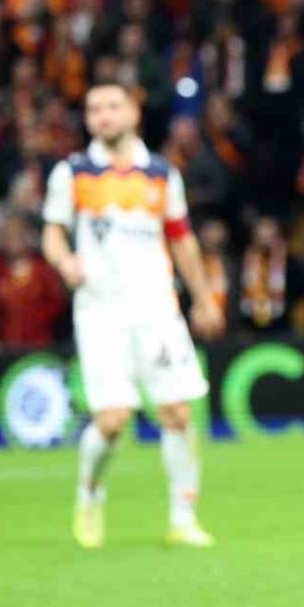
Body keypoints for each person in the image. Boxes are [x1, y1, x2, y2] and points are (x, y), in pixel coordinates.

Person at [41, 83, 225, 550]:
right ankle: (89, 492)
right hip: (100, 310)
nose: (102, 115)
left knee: (177, 413)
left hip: (157, 308)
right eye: (94, 109)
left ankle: (183, 519)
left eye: (112, 106)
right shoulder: (73, 172)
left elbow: (181, 238)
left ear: (132, 113)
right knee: (112, 420)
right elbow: (53, 234)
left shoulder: (161, 173)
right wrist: (64, 261)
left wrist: (203, 297)